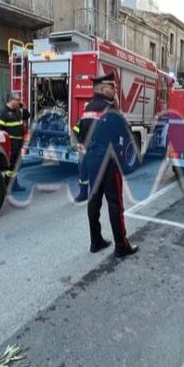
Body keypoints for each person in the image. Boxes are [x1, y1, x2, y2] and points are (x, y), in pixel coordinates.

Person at [75, 73, 139, 257]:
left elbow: (80, 134)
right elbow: (126, 133)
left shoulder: (87, 108)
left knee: (93, 201)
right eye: (113, 88)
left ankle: (96, 242)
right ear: (103, 89)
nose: (116, 91)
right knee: (115, 204)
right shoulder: (110, 109)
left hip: (92, 159)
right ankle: (121, 246)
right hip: (109, 162)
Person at [0, 92, 30, 193]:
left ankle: (11, 184)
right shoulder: (2, 113)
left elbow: (27, 116)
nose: (20, 102)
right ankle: (7, 184)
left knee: (15, 164)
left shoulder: (17, 111)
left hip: (18, 142)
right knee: (12, 165)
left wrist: (25, 107)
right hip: (10, 143)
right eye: (17, 100)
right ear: (11, 100)